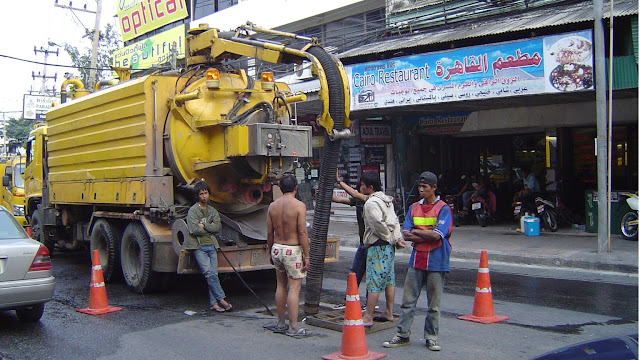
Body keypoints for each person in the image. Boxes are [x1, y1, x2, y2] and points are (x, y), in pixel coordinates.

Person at [383, 171, 452, 351]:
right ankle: (402, 334)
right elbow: (406, 232)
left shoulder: (443, 208)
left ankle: (431, 337)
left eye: (425, 187)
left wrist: (417, 232)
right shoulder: (414, 207)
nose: (421, 190)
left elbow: (437, 236)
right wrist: (427, 233)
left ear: (434, 188)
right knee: (408, 301)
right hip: (417, 260)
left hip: (437, 261)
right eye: (420, 187)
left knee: (433, 305)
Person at [266, 174, 311, 338]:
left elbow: (270, 233)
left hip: (277, 248)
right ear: (295, 188)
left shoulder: (272, 206)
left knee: (280, 285)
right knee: (294, 287)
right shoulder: (299, 205)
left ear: (280, 188)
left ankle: (280, 322)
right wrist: (307, 256)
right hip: (293, 249)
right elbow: (302, 232)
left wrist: (270, 251)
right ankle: (293, 326)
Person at [360, 170, 405, 327]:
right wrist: (396, 238)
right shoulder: (387, 200)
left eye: (363, 185)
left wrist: (390, 237)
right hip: (388, 247)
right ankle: (389, 312)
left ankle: (368, 316)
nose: (360, 187)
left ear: (370, 187)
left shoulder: (371, 203)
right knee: (388, 280)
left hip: (378, 245)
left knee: (374, 281)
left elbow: (377, 225)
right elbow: (396, 221)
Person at [187, 181, 233, 313]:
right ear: (197, 196)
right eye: (201, 194)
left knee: (213, 274)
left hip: (212, 245)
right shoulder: (193, 211)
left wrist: (205, 226)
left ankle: (214, 303)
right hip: (199, 246)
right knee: (209, 274)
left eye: (206, 193)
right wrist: (209, 227)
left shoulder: (212, 211)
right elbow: (193, 229)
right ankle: (222, 299)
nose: (204, 196)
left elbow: (217, 227)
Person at [331, 170, 367, 309]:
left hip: (373, 244)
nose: (360, 188)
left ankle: (369, 305)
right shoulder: (358, 199)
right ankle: (349, 299)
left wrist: (339, 181)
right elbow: (340, 199)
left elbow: (353, 194)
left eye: (363, 185)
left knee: (371, 276)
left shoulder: (373, 199)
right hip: (363, 243)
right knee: (354, 272)